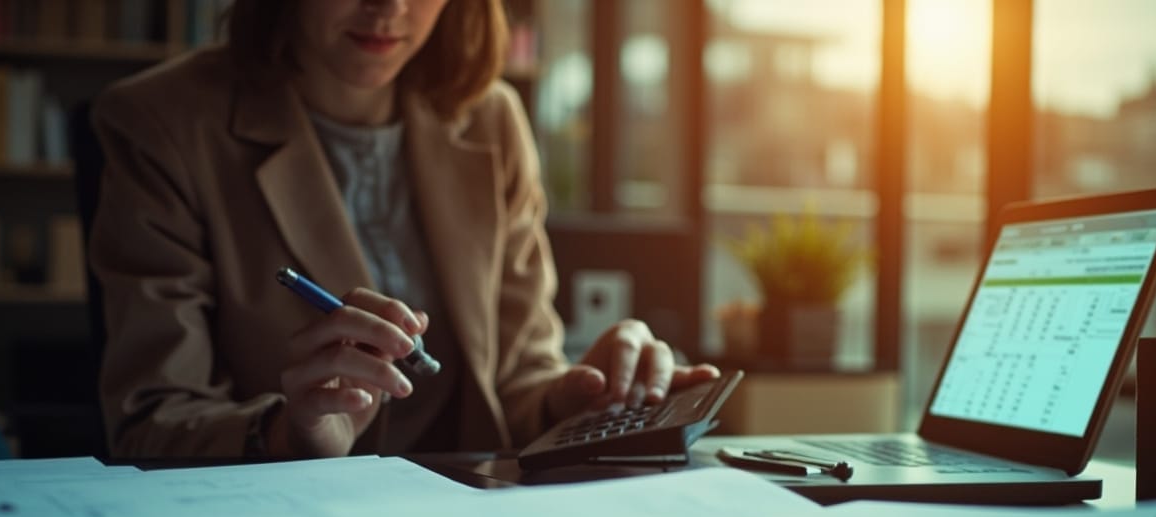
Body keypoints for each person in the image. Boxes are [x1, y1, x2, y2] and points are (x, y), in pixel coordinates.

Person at [89, 0, 719, 459]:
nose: (389, 6)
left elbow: (515, 380)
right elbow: (152, 420)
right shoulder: (161, 123)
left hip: (471, 515)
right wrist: (290, 434)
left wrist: (579, 397)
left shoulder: (492, 119)